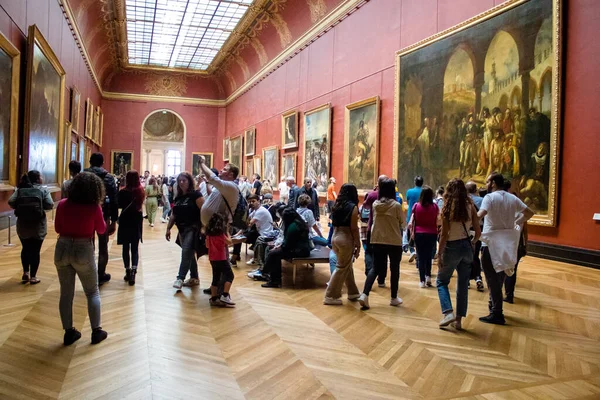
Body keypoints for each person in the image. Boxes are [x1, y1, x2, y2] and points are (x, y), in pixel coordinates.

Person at [53, 172, 108, 345]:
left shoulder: (62, 204)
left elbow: (57, 228)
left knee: (66, 293)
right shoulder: (94, 208)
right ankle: (96, 331)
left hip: (62, 247)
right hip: (83, 248)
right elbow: (101, 229)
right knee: (92, 292)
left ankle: (69, 332)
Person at [477, 172, 534, 325]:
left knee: (491, 278)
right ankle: (493, 306)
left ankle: (497, 312)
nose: (486, 183)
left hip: (491, 243)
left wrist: (470, 221)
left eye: (488, 181)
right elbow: (529, 213)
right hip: (508, 243)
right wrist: (516, 223)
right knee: (500, 276)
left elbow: (481, 214)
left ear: (494, 183)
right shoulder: (512, 198)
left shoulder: (489, 198)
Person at [437, 179, 481, 329]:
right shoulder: (470, 206)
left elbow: (444, 235)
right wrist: (473, 243)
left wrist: (439, 253)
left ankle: (448, 312)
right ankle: (458, 321)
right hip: (466, 247)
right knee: (463, 285)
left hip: (452, 247)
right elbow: (478, 231)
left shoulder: (447, 207)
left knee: (441, 281)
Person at [358, 178, 404, 309]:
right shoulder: (396, 205)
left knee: (376, 268)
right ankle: (393, 297)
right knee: (395, 269)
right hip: (394, 240)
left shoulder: (375, 205)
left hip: (377, 239)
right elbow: (402, 222)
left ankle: (365, 294)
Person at [8, 171, 54, 284]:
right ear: (38, 179)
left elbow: (11, 201)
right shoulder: (43, 190)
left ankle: (25, 272)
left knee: (25, 248)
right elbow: (50, 204)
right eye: (41, 176)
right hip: (38, 225)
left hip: (23, 224)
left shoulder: (21, 189)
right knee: (35, 251)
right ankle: (33, 277)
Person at [166, 172, 205, 289]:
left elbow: (204, 210)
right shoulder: (178, 197)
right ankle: (194, 277)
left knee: (186, 252)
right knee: (189, 253)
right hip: (181, 229)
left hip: (193, 228)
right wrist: (168, 228)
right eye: (180, 181)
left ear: (189, 181)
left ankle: (180, 278)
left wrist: (204, 227)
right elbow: (174, 214)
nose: (182, 182)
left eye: (184, 180)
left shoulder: (196, 195)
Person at [324, 184, 361, 305]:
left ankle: (353, 292)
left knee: (347, 266)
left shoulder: (336, 205)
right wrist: (358, 244)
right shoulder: (352, 207)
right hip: (345, 238)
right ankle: (330, 295)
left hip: (335, 237)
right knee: (341, 267)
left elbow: (333, 224)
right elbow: (354, 228)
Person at [85, 153, 118, 285]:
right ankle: (101, 274)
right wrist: (114, 220)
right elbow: (114, 200)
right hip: (103, 214)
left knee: (88, 245)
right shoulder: (108, 177)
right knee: (103, 246)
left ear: (90, 161)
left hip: (85, 215)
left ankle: (89, 273)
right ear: (103, 162)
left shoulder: (83, 176)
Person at [260, 208, 312, 288]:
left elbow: (287, 244)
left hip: (299, 251)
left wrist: (279, 247)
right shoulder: (298, 222)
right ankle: (269, 275)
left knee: (273, 254)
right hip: (302, 249)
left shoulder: (292, 226)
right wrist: (280, 246)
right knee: (274, 253)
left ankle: (270, 277)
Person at [117, 171, 145, 286]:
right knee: (135, 247)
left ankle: (127, 271)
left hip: (125, 220)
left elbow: (118, 205)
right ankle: (134, 271)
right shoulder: (140, 191)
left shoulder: (123, 192)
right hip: (136, 220)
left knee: (125, 247)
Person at [408, 185, 439, 288]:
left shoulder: (416, 206)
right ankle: (428, 276)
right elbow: (437, 221)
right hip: (432, 233)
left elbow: (413, 221)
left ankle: (422, 281)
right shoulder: (435, 207)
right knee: (429, 256)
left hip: (419, 233)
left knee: (421, 257)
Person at [503, 179, 528, 304]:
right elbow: (525, 231)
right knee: (512, 269)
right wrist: (525, 245)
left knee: (505, 268)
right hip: (517, 243)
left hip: (509, 242)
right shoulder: (522, 213)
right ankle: (509, 294)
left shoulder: (507, 212)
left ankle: (507, 294)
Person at [232, 194, 276, 265]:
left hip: (264, 235)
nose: (251, 203)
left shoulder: (260, 211)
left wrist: (237, 234)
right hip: (258, 232)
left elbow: (248, 225)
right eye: (250, 202)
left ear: (258, 201)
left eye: (253, 201)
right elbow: (246, 221)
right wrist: (237, 234)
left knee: (239, 238)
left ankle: (234, 258)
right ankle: (235, 257)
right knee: (238, 237)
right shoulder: (255, 210)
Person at [205, 213, 236, 307]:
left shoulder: (209, 235)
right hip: (221, 259)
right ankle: (225, 295)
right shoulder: (221, 235)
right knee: (230, 276)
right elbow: (230, 242)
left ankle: (214, 298)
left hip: (212, 259)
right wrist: (227, 233)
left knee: (215, 278)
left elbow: (207, 246)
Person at [466, 181, 485, 291]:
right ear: (475, 190)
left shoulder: (464, 201)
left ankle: (467, 280)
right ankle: (478, 278)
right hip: (479, 228)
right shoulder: (482, 200)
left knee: (466, 255)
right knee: (475, 254)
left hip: (466, 229)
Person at [405, 176, 424, 262]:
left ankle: (412, 250)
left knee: (410, 233)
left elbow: (408, 202)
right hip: (422, 214)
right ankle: (419, 252)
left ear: (414, 182)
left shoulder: (409, 191)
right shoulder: (424, 192)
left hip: (411, 214)